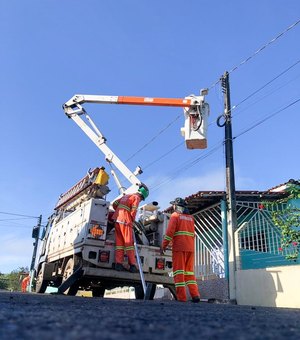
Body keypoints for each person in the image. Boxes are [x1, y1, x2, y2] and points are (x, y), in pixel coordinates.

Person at [161, 197, 200, 303]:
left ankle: (182, 298)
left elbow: (169, 233)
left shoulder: (175, 216)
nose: (173, 206)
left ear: (176, 206)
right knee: (189, 274)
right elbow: (193, 234)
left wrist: (163, 246)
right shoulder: (191, 218)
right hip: (190, 248)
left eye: (173, 205)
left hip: (179, 248)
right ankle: (195, 295)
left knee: (178, 273)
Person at [112, 184, 149, 273]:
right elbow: (134, 210)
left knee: (120, 244)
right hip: (125, 221)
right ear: (142, 195)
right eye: (142, 198)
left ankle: (118, 264)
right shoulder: (136, 197)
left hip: (117, 220)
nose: (141, 200)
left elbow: (114, 204)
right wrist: (131, 220)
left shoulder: (127, 195)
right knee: (129, 244)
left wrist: (119, 212)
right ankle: (132, 265)